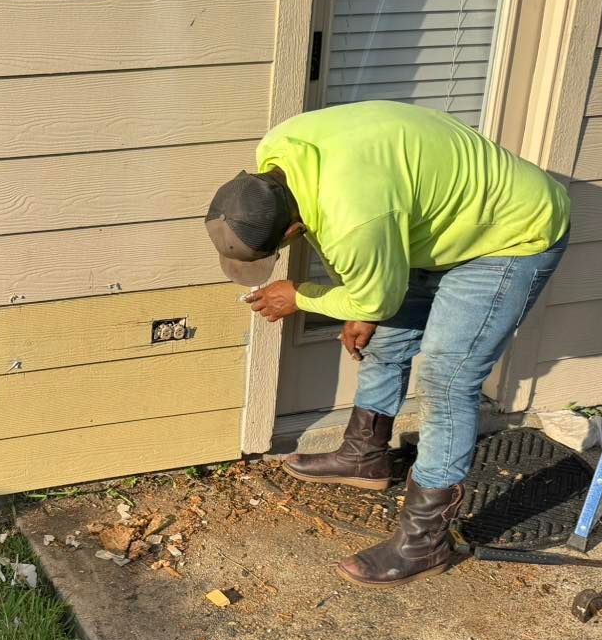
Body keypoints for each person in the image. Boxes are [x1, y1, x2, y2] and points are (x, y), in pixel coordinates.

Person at [204, 100, 570, 587]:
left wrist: (304, 295)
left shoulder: (356, 216)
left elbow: (370, 281)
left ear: (291, 230)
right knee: (385, 338)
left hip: (510, 234)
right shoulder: (279, 148)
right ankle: (365, 455)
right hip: (427, 222)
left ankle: (424, 543)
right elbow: (364, 276)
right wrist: (363, 303)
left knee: (447, 379)